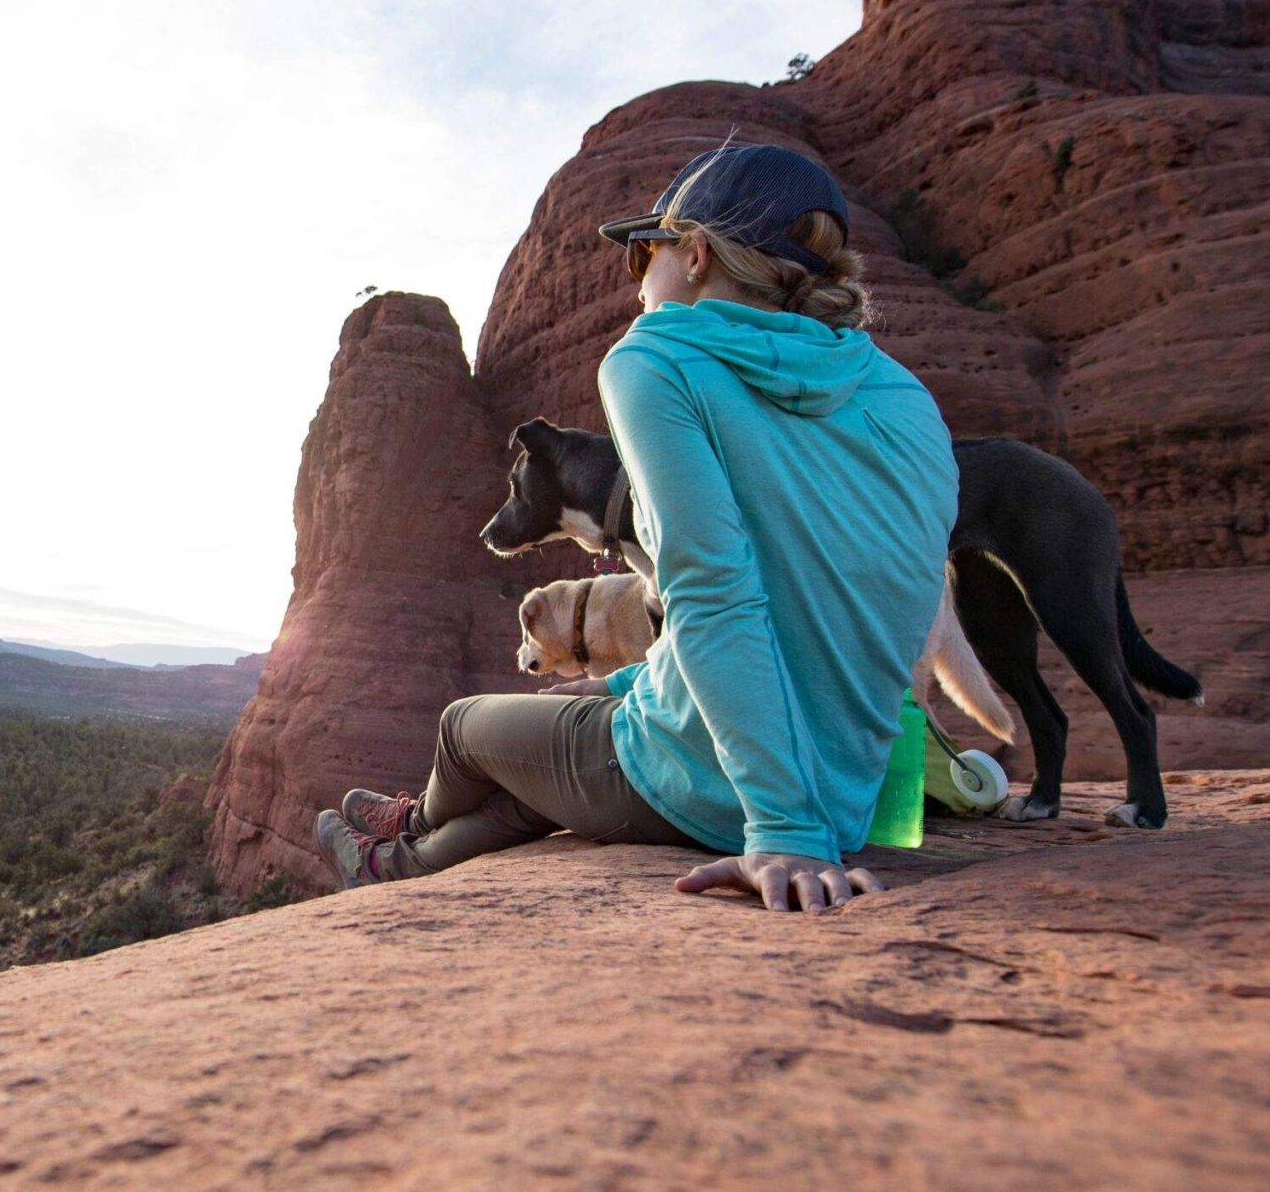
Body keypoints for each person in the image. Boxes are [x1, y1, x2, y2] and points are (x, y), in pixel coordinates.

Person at [317, 142, 958, 913]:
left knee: (460, 729)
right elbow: (868, 603)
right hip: (852, 793)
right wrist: (619, 682)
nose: (637, 279)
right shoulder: (903, 395)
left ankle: (410, 825)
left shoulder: (659, 358)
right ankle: (397, 864)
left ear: (692, 255)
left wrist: (784, 829)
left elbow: (714, 590)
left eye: (641, 254)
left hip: (729, 792)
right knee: (535, 784)